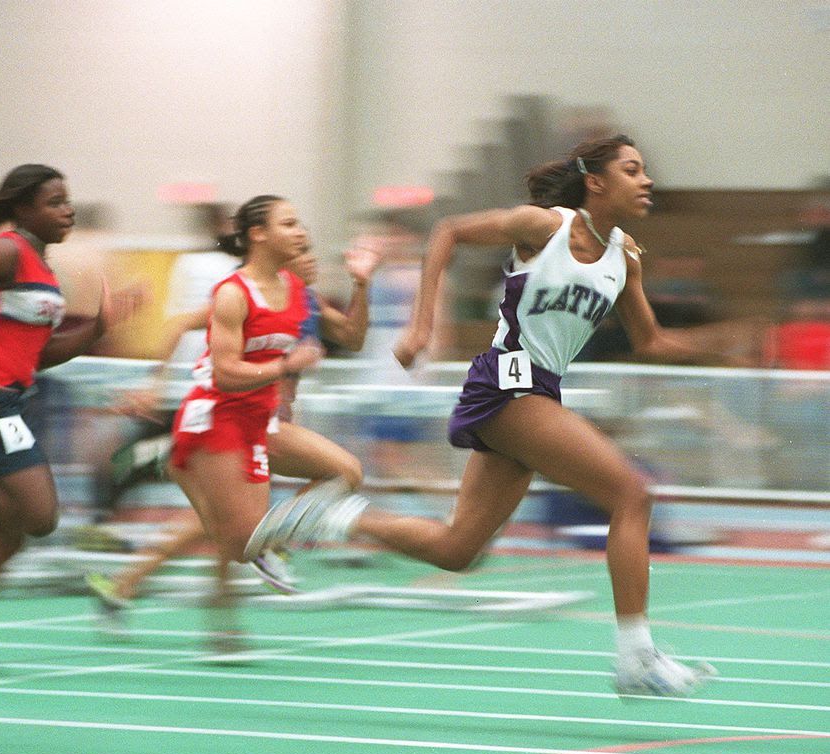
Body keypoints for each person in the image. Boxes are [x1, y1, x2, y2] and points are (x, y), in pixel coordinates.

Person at [245, 136, 721, 697]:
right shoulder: (545, 227)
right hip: (507, 383)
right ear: (597, 182)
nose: (646, 181)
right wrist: (420, 328)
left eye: (646, 172)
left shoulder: (626, 257)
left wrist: (721, 348)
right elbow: (447, 232)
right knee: (631, 493)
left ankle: (330, 518)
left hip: (540, 390)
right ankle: (636, 658)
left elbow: (651, 341)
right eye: (632, 170)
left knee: (457, 550)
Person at [0, 165, 141, 660]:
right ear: (22, 209)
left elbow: (40, 355)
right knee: (38, 519)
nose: (68, 209)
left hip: (10, 403)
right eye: (55, 201)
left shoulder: (41, 267)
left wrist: (101, 325)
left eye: (68, 200)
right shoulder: (5, 252)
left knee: (13, 532)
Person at [87, 236, 378, 615]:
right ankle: (261, 557)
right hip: (241, 424)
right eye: (300, 250)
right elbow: (178, 325)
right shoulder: (242, 298)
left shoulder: (309, 303)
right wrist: (154, 384)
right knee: (340, 474)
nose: (312, 259)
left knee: (215, 527)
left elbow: (354, 336)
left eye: (310, 249)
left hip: (268, 426)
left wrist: (361, 283)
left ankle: (130, 586)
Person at [144, 195, 322, 653]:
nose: (301, 232)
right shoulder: (231, 292)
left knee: (239, 535)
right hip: (216, 414)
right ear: (259, 234)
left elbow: (337, 338)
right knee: (239, 540)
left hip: (256, 419)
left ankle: (228, 600)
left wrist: (361, 285)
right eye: (290, 223)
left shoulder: (296, 290)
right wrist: (155, 378)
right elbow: (224, 369)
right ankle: (161, 462)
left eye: (300, 223)